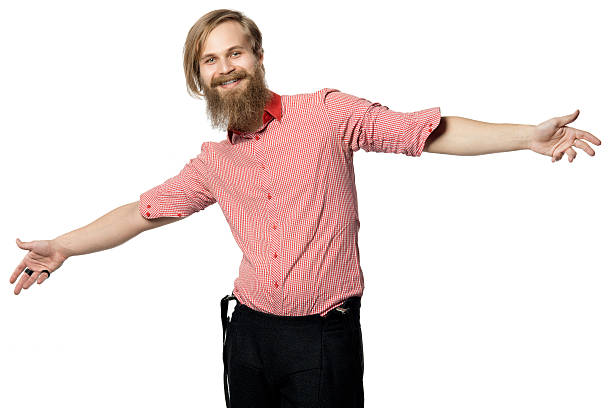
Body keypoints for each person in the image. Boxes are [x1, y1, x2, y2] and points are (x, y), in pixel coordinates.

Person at [10, 8, 601, 408]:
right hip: (249, 336)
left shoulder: (323, 113)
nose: (225, 69)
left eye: (234, 53)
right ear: (199, 79)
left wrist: (526, 135)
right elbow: (141, 212)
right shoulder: (215, 162)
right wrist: (64, 245)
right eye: (210, 62)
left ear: (258, 56)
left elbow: (426, 131)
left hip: (322, 339)